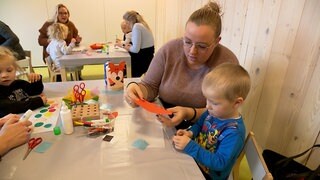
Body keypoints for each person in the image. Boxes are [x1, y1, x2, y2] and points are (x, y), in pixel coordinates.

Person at [125, 1, 238, 129]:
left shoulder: (227, 63)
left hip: (203, 128)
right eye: (187, 42)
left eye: (202, 46)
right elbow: (150, 86)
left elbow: (224, 112)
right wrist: (136, 90)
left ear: (217, 41)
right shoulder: (169, 50)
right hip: (163, 120)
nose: (192, 51)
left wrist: (189, 113)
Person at [172, 63, 251, 179]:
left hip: (208, 175)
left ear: (237, 103)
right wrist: (190, 133)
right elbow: (199, 125)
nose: (207, 106)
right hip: (195, 160)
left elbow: (220, 163)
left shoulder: (234, 133)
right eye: (207, 100)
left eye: (214, 103)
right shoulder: (213, 112)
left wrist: (190, 146)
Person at [0, 46, 47, 118]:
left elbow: (35, 91)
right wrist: (38, 102)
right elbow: (12, 107)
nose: (4, 75)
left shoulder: (18, 83)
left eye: (9, 70)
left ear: (15, 69)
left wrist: (36, 80)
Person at [121, 10, 154, 77]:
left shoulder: (137, 26)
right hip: (148, 57)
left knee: (123, 69)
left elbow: (135, 50)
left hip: (142, 60)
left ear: (130, 21)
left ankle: (129, 83)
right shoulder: (143, 25)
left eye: (127, 22)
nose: (126, 24)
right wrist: (130, 46)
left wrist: (126, 46)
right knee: (123, 68)